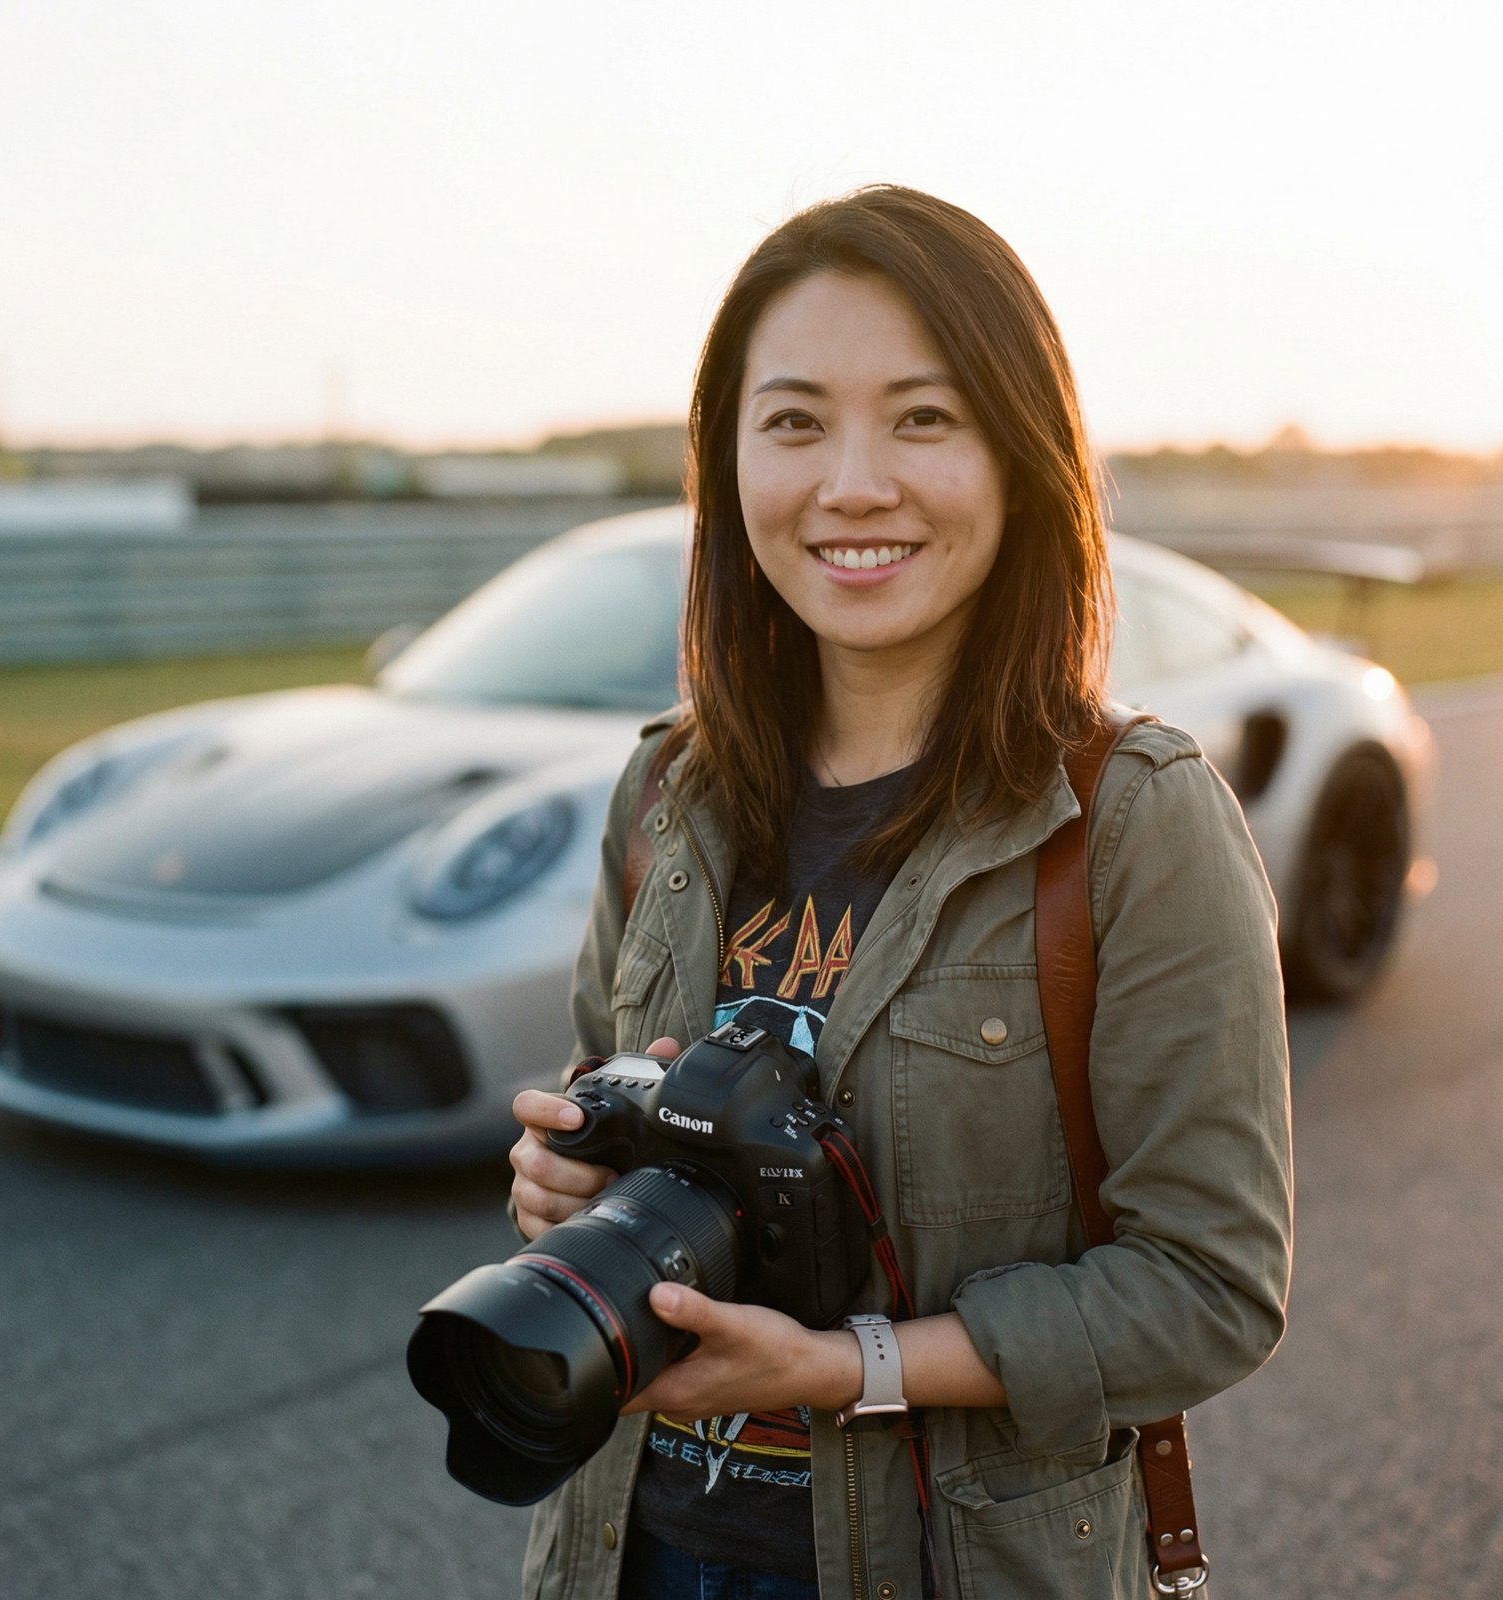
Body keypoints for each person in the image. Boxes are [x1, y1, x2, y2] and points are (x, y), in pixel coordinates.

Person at [508, 185, 1292, 1600]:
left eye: (923, 418)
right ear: (728, 460)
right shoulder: (667, 790)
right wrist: (562, 1182)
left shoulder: (1132, 820)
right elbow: (600, 1096)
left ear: (1021, 454)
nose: (854, 483)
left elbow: (1209, 1289)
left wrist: (846, 1366)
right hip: (625, 1547)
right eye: (795, 422)